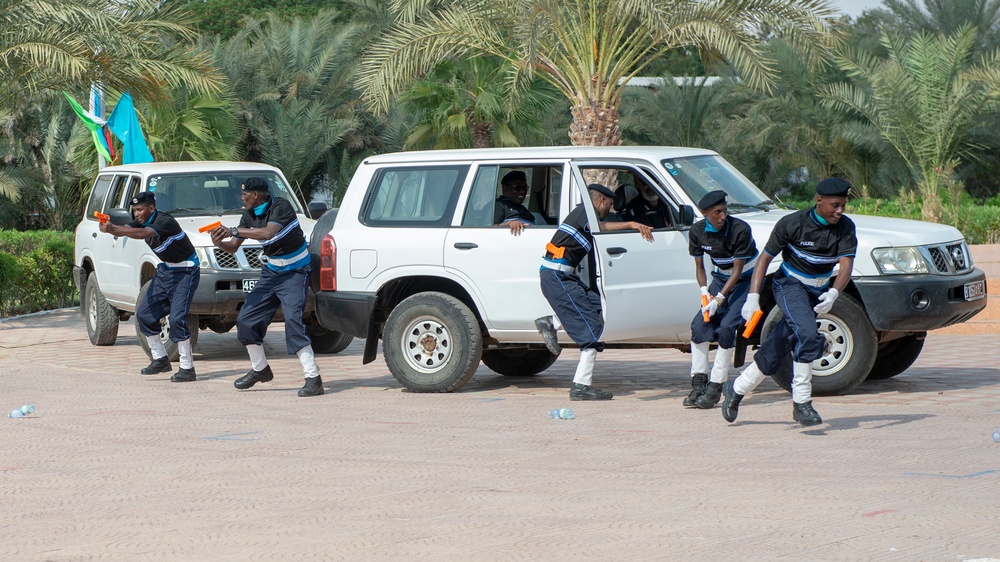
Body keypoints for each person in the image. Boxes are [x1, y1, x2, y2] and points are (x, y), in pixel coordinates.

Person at [721, 177, 857, 426]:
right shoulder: (792, 224)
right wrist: (753, 297)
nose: (840, 211)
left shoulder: (846, 227)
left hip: (819, 291)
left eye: (843, 206)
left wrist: (834, 292)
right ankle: (802, 403)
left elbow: (846, 266)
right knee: (806, 334)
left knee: (782, 342)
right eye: (835, 205)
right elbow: (763, 260)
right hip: (789, 285)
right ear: (819, 200)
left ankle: (737, 388)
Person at [535, 183, 654, 401]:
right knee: (591, 333)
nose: (610, 209)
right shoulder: (583, 212)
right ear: (600, 201)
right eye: (609, 204)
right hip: (557, 276)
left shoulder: (585, 217)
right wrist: (631, 223)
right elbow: (600, 228)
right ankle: (580, 386)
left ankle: (551, 322)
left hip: (564, 276)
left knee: (600, 307)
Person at [208, 177, 323, 397]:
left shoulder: (281, 206)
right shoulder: (248, 214)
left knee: (293, 320)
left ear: (257, 195)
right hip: (272, 272)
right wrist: (218, 242)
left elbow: (268, 233)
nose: (242, 199)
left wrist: (234, 231)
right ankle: (260, 369)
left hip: (296, 271)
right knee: (246, 320)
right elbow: (233, 247)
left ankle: (313, 378)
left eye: (245, 195)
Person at [99, 191, 200, 382]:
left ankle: (187, 368)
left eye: (139, 210)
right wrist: (110, 228)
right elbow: (127, 228)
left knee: (177, 319)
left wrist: (115, 229)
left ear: (151, 208)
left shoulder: (164, 221)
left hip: (186, 272)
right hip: (166, 272)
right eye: (134, 210)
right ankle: (160, 358)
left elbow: (143, 234)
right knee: (145, 314)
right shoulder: (141, 221)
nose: (136, 214)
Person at [684, 190, 759, 409]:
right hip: (721, 277)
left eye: (725, 211)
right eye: (717, 212)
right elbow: (699, 266)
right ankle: (698, 383)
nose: (722, 216)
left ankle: (716, 386)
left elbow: (737, 272)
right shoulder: (697, 232)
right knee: (699, 325)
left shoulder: (739, 229)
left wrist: (718, 300)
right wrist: (705, 291)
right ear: (704, 212)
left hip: (747, 277)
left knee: (727, 327)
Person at [494, 170, 536, 235]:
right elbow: (488, 230)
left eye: (524, 188)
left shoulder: (523, 210)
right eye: (517, 187)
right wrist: (509, 223)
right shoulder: (498, 205)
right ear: (504, 188)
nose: (522, 191)